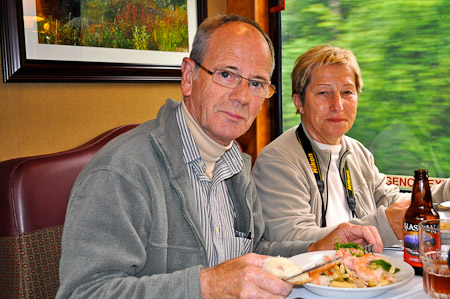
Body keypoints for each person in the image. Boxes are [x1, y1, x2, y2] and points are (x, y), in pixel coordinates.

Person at [56, 18, 383, 299]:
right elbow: (84, 291)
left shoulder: (237, 166)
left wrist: (317, 248)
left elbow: (253, 258)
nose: (242, 97)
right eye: (227, 75)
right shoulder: (124, 170)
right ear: (188, 76)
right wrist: (207, 285)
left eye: (256, 83)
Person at [252, 44, 449, 248]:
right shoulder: (278, 161)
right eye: (323, 93)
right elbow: (292, 239)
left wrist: (447, 191)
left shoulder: (357, 152)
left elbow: (392, 201)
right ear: (299, 102)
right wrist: (385, 225)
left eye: (347, 92)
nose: (337, 105)